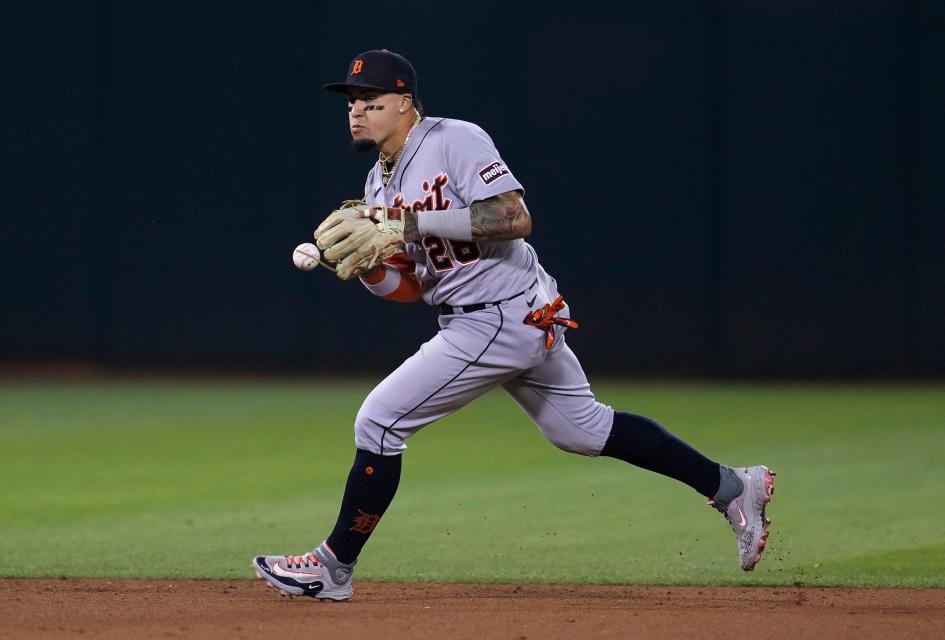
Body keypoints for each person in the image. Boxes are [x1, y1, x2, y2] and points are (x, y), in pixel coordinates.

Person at [252, 50, 775, 601]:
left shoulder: (452, 139)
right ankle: (733, 486)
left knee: (379, 423)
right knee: (583, 429)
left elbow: (513, 218)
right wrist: (370, 269)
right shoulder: (376, 185)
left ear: (405, 103)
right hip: (497, 312)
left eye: (370, 101)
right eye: (351, 102)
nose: (355, 112)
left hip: (498, 316)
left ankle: (332, 568)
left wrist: (407, 224)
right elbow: (413, 287)